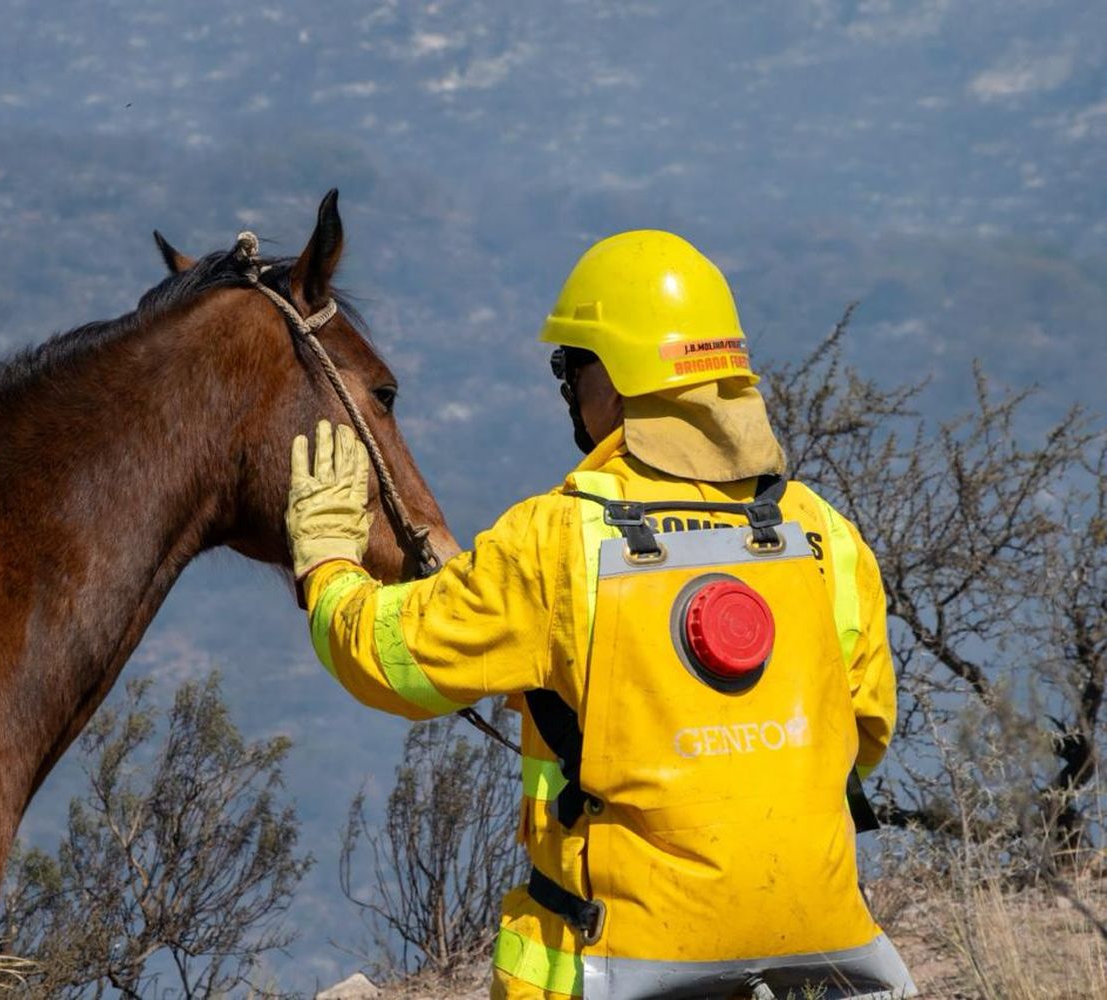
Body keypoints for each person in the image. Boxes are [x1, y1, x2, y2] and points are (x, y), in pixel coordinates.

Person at [286, 230, 917, 999]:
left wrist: (325, 557)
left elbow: (387, 661)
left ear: (613, 382)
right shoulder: (823, 534)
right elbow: (866, 736)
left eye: (571, 364)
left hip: (612, 963)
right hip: (823, 956)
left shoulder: (560, 542)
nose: (566, 384)